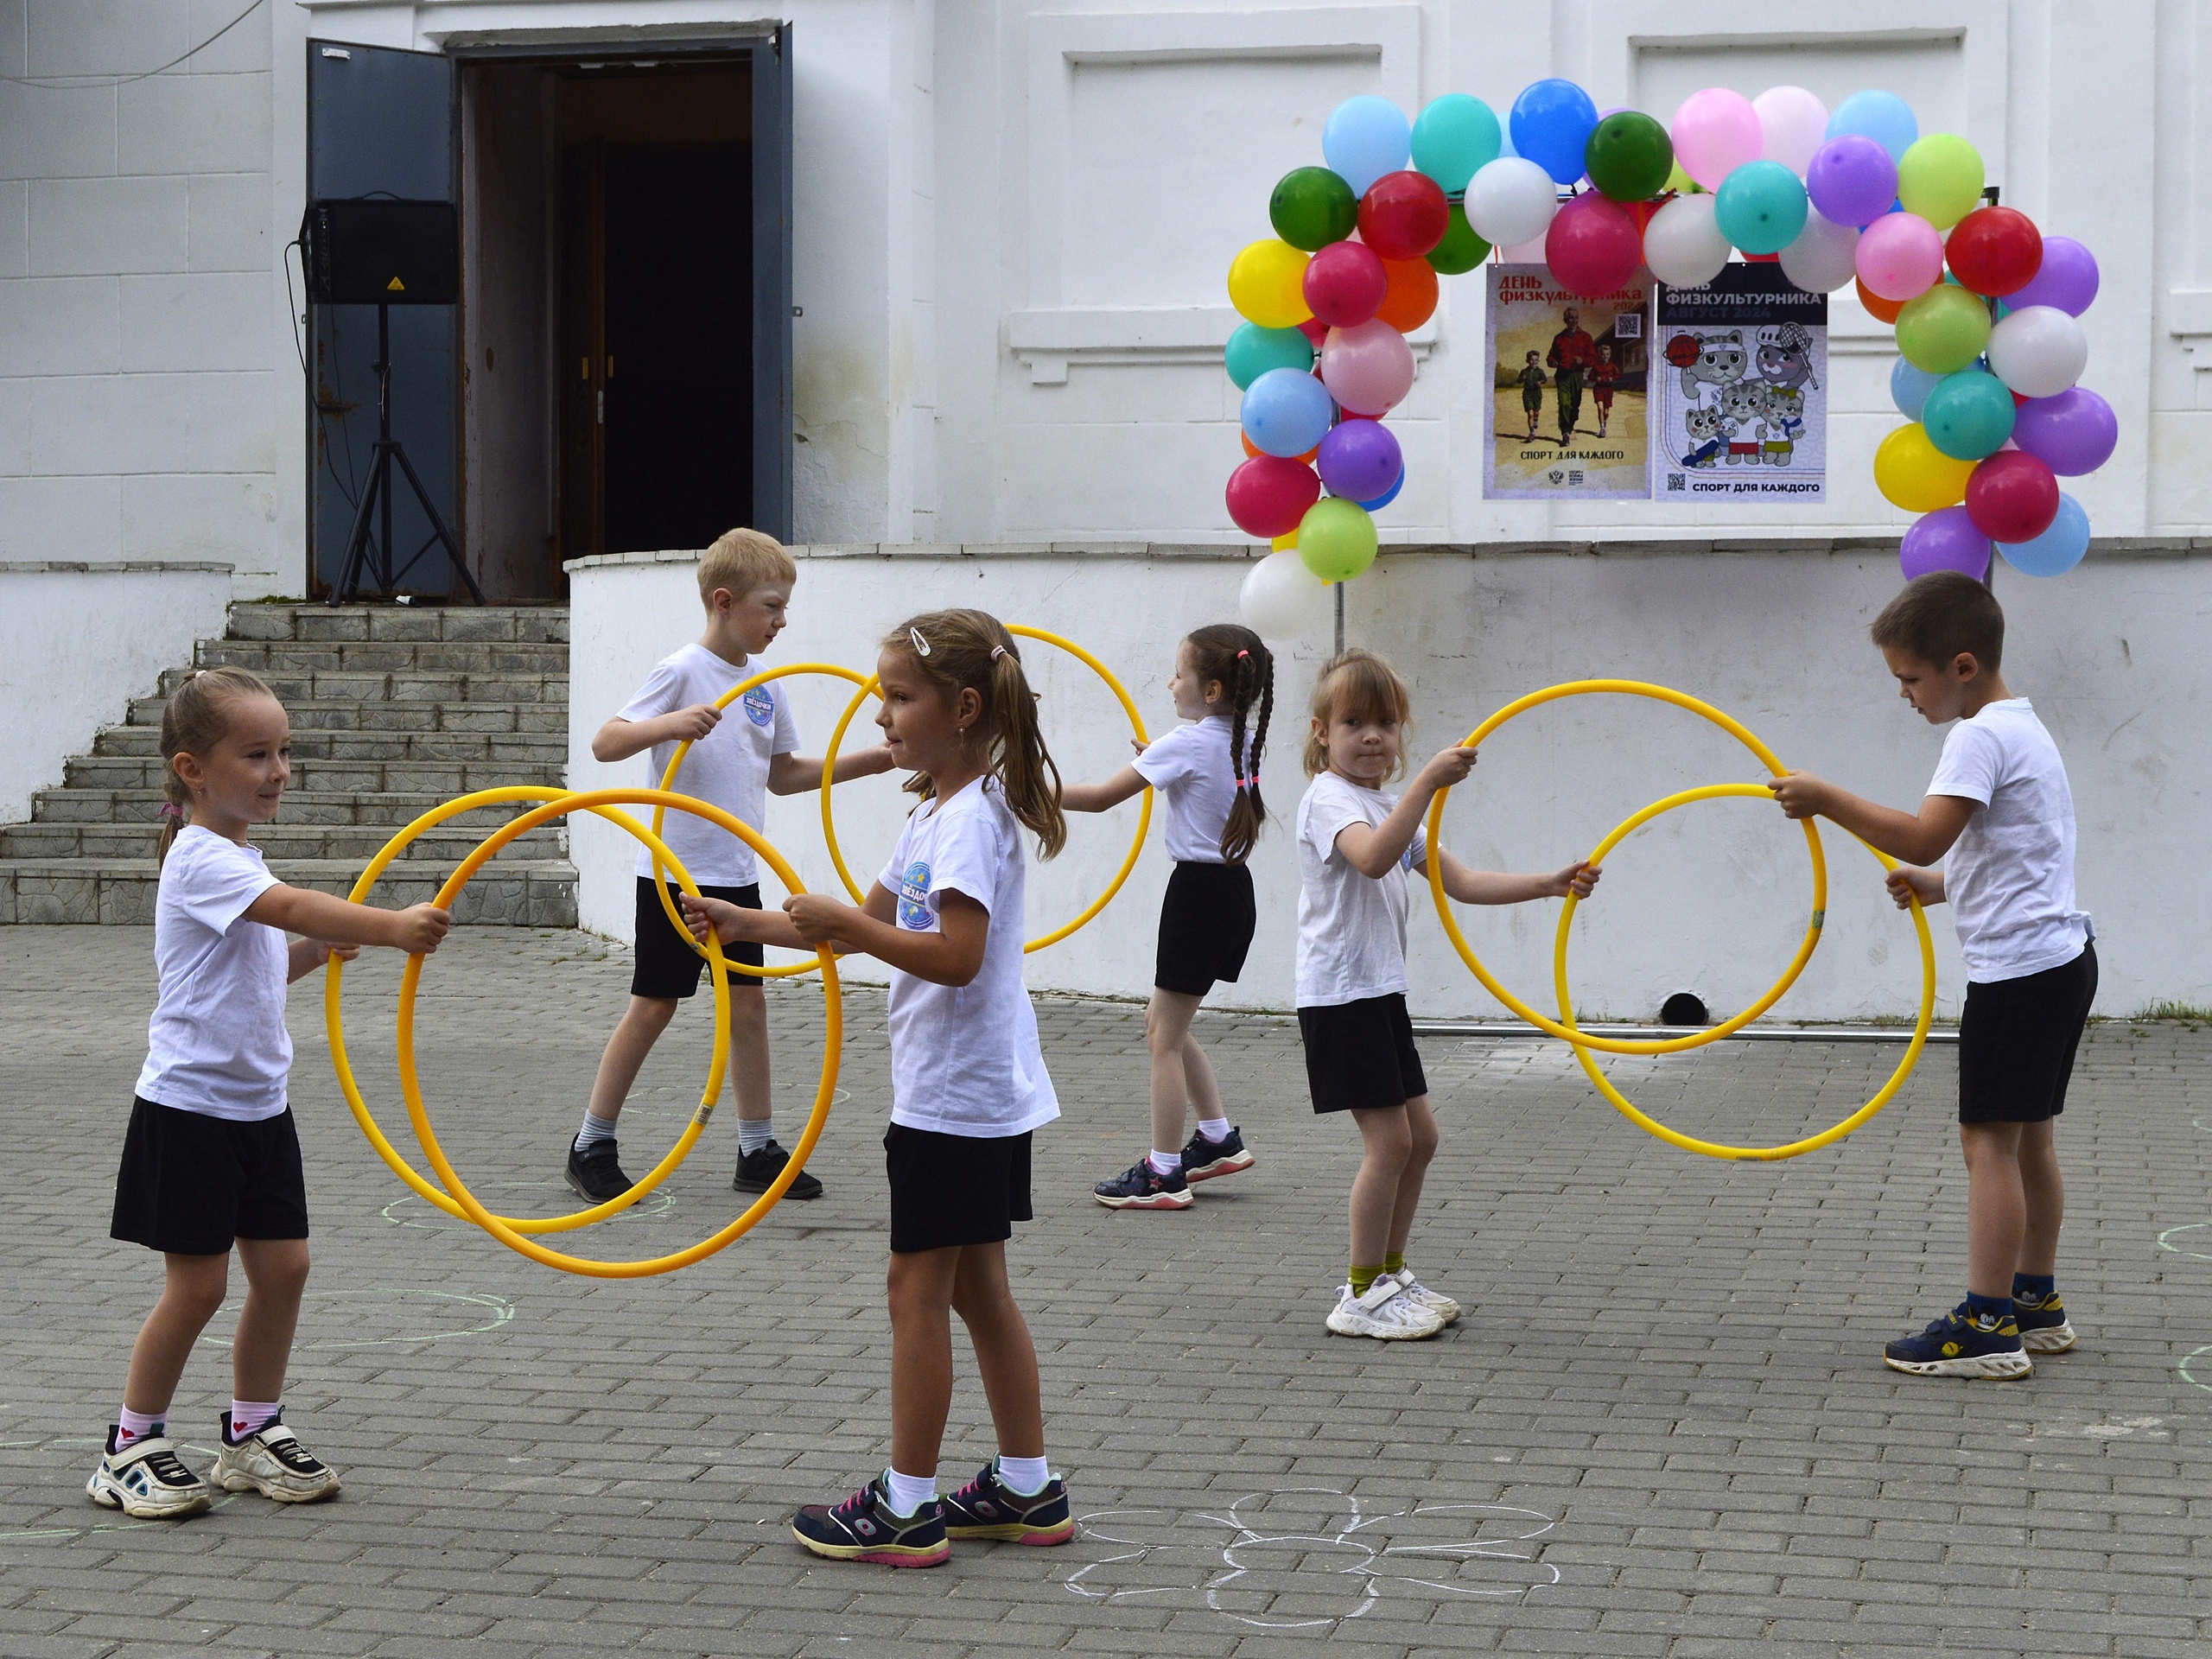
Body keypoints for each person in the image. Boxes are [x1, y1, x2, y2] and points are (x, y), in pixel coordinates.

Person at [683, 609, 1073, 1566]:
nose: (883, 716)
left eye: (899, 697)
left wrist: (848, 932)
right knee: (978, 1289)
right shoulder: (937, 811)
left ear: (964, 706)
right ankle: (1026, 1487)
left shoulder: (972, 821)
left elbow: (954, 956)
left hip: (956, 1098)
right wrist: (747, 926)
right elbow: (851, 920)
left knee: (916, 1291)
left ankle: (905, 1505)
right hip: (971, 1094)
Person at [87, 667, 453, 1519]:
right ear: (192, 769)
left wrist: (316, 956)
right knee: (200, 1288)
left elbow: (258, 967)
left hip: (257, 1108)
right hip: (189, 1112)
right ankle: (128, 1445)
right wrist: (390, 928)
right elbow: (290, 907)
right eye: (256, 754)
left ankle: (252, 1434)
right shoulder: (200, 858)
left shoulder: (238, 854)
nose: (278, 769)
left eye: (284, 751)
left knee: (285, 1269)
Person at [1771, 571, 2093, 1380]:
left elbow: (1921, 836)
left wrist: (1824, 798)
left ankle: (1987, 1325)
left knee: (1987, 1143)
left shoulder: (1978, 736)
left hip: (2018, 975)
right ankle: (2034, 1303)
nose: (1904, 696)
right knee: (2029, 1143)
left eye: (1909, 679)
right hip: (2061, 961)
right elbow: (2015, 853)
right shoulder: (2026, 728)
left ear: (1961, 666)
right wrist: (1941, 887)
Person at [573, 528, 892, 1205]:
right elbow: (606, 742)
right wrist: (671, 724)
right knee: (655, 1004)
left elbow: (784, 774)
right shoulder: (683, 670)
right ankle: (591, 1142)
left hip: (735, 871)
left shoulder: (764, 685)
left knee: (749, 1006)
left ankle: (757, 1149)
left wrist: (883, 758)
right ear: (725, 602)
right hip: (674, 871)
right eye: (772, 607)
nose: (782, 621)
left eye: (784, 609)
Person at [1295, 650, 1600, 1341]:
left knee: (1421, 1138)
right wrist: (1429, 782)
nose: (1373, 736)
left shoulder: (1383, 803)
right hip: (1342, 995)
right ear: (1321, 733)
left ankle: (1390, 1273)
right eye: (1353, 722)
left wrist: (1548, 884)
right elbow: (1372, 859)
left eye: (1386, 723)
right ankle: (1359, 1291)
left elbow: (1459, 881)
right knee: (1389, 1143)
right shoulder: (1330, 800)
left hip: (1378, 992)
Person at [1063, 624, 1274, 1209]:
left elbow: (1103, 797)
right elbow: (1202, 779)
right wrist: (1158, 760)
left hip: (1199, 895)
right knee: (1167, 1023)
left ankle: (1163, 1173)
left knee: (1163, 1035)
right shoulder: (1244, 736)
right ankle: (1215, 1138)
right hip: (1231, 891)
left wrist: (1022, 786)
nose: (1168, 682)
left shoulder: (1187, 743)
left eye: (1178, 673)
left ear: (1210, 690)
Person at [1547, 308, 1596, 444]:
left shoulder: (1585, 337)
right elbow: (1550, 356)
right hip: (1562, 375)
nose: (1574, 321)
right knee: (1564, 403)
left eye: (1576, 318)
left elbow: (1593, 358)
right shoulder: (1559, 338)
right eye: (1571, 318)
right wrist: (1553, 362)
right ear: (1565, 320)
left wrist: (1583, 361)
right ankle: (1565, 432)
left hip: (1577, 375)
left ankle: (1570, 424)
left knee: (1575, 405)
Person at [1591, 341, 1621, 439]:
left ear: (1610, 355)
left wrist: (1613, 378)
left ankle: (1604, 421)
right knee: (1600, 408)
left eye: (1607, 354)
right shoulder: (1596, 366)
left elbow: (1618, 375)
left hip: (1608, 389)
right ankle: (1602, 429)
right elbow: (1590, 376)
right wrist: (1596, 378)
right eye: (1603, 354)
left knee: (1606, 412)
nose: (1605, 356)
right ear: (1600, 355)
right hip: (1599, 389)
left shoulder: (1612, 366)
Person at [1516, 351, 1547, 440]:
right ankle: (1532, 433)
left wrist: (1540, 382)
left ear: (1538, 361)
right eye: (1532, 360)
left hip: (1537, 393)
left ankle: (1536, 419)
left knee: (1536, 412)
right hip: (1527, 393)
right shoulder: (1524, 371)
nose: (1534, 362)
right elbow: (1518, 381)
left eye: (1536, 360)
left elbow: (1545, 379)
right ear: (1527, 361)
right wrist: (1522, 378)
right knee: (1530, 414)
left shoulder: (1540, 371)